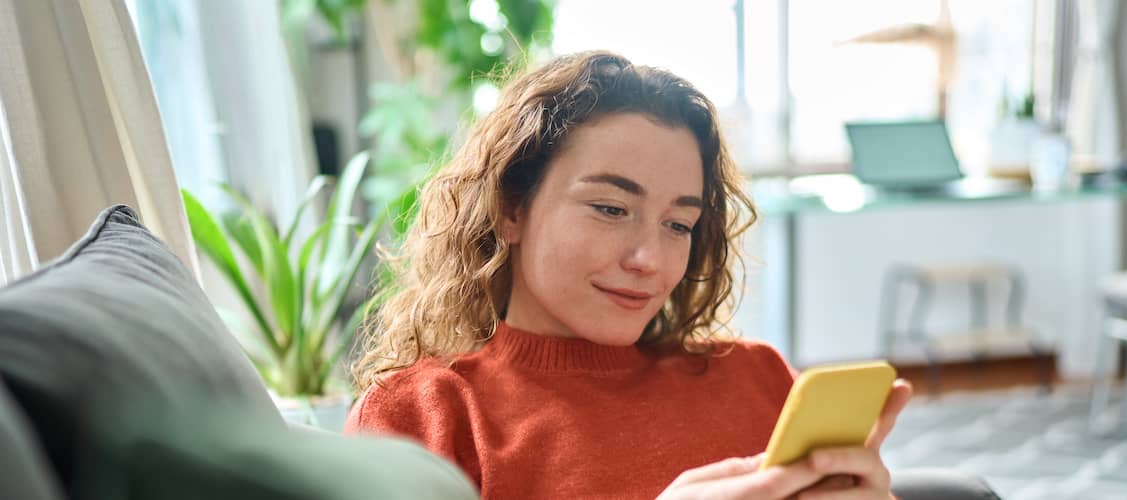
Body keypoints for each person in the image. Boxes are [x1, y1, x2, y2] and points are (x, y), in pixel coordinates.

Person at [345, 51, 912, 499]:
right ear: (510, 210)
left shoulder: (757, 378)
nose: (649, 259)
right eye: (612, 209)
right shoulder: (426, 414)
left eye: (678, 224)